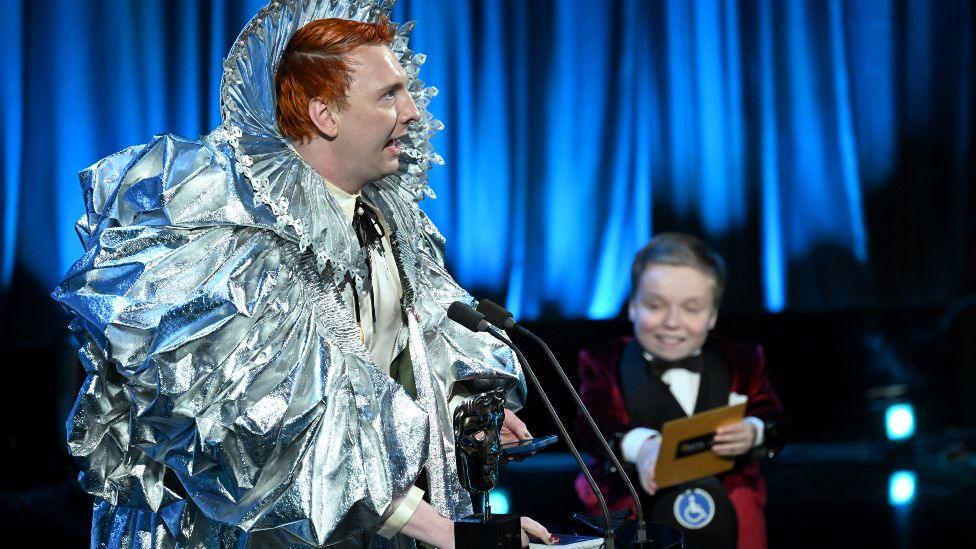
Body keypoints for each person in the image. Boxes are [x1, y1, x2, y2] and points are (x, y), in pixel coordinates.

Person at [53, 2, 551, 547]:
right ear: (324, 114)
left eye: (406, 90)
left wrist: (462, 407)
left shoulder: (385, 217)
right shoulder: (233, 240)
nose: (412, 111)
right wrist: (453, 535)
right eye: (389, 94)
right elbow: (271, 436)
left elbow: (423, 337)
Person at [575, 233, 786, 549]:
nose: (672, 322)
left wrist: (752, 431)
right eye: (655, 305)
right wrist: (642, 447)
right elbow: (590, 427)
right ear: (632, 307)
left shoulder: (742, 360)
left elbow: (773, 417)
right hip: (632, 519)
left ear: (712, 315)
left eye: (692, 308)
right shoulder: (603, 362)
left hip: (729, 519)